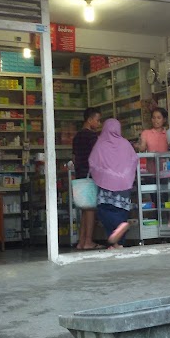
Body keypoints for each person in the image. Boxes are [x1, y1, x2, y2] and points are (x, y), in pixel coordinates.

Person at [88, 119, 137, 249]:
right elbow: (134, 160)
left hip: (105, 184)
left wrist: (105, 173)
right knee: (121, 211)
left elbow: (92, 161)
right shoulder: (125, 144)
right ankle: (118, 243)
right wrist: (124, 175)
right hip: (123, 184)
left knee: (104, 211)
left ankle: (116, 235)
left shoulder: (101, 144)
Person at [72, 107, 102, 250]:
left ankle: (81, 241)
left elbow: (74, 157)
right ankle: (88, 241)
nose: (99, 123)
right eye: (97, 120)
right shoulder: (92, 136)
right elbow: (98, 155)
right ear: (90, 120)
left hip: (79, 175)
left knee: (84, 209)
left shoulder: (77, 136)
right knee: (90, 209)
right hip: (90, 175)